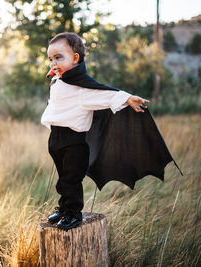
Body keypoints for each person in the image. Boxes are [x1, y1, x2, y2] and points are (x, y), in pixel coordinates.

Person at [40, 32, 151, 230]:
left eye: (59, 57)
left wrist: (126, 98)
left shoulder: (83, 89)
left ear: (75, 58)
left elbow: (106, 95)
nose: (53, 63)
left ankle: (73, 214)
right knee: (63, 179)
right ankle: (64, 208)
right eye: (50, 59)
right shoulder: (58, 82)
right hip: (55, 139)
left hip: (74, 143)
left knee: (71, 180)